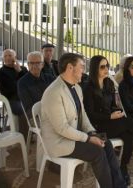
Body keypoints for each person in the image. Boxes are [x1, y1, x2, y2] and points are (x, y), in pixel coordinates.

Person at [40, 53, 126, 188]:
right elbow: (61, 128)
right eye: (81, 66)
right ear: (70, 68)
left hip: (73, 137)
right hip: (59, 142)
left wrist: (92, 133)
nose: (83, 70)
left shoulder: (77, 87)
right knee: (97, 151)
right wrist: (88, 138)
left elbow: (83, 115)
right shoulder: (54, 92)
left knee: (106, 144)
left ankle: (120, 185)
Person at [83, 55, 133, 185]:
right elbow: (89, 115)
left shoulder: (108, 83)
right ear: (94, 68)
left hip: (111, 122)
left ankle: (123, 167)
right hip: (97, 126)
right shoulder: (88, 88)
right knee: (129, 122)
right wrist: (110, 116)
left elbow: (113, 105)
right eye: (102, 67)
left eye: (107, 66)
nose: (106, 69)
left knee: (130, 137)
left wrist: (117, 111)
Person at [17, 51, 54, 139]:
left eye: (38, 63)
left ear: (42, 64)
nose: (34, 66)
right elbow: (29, 108)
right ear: (28, 65)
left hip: (53, 112)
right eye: (31, 63)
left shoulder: (50, 78)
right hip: (35, 116)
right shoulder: (22, 83)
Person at [0, 49, 28, 134]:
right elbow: (8, 90)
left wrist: (20, 71)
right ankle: (24, 136)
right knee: (23, 109)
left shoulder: (23, 69)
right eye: (5, 56)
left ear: (15, 57)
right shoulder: (1, 72)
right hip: (12, 99)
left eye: (10, 55)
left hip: (25, 97)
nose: (7, 58)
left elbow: (29, 83)